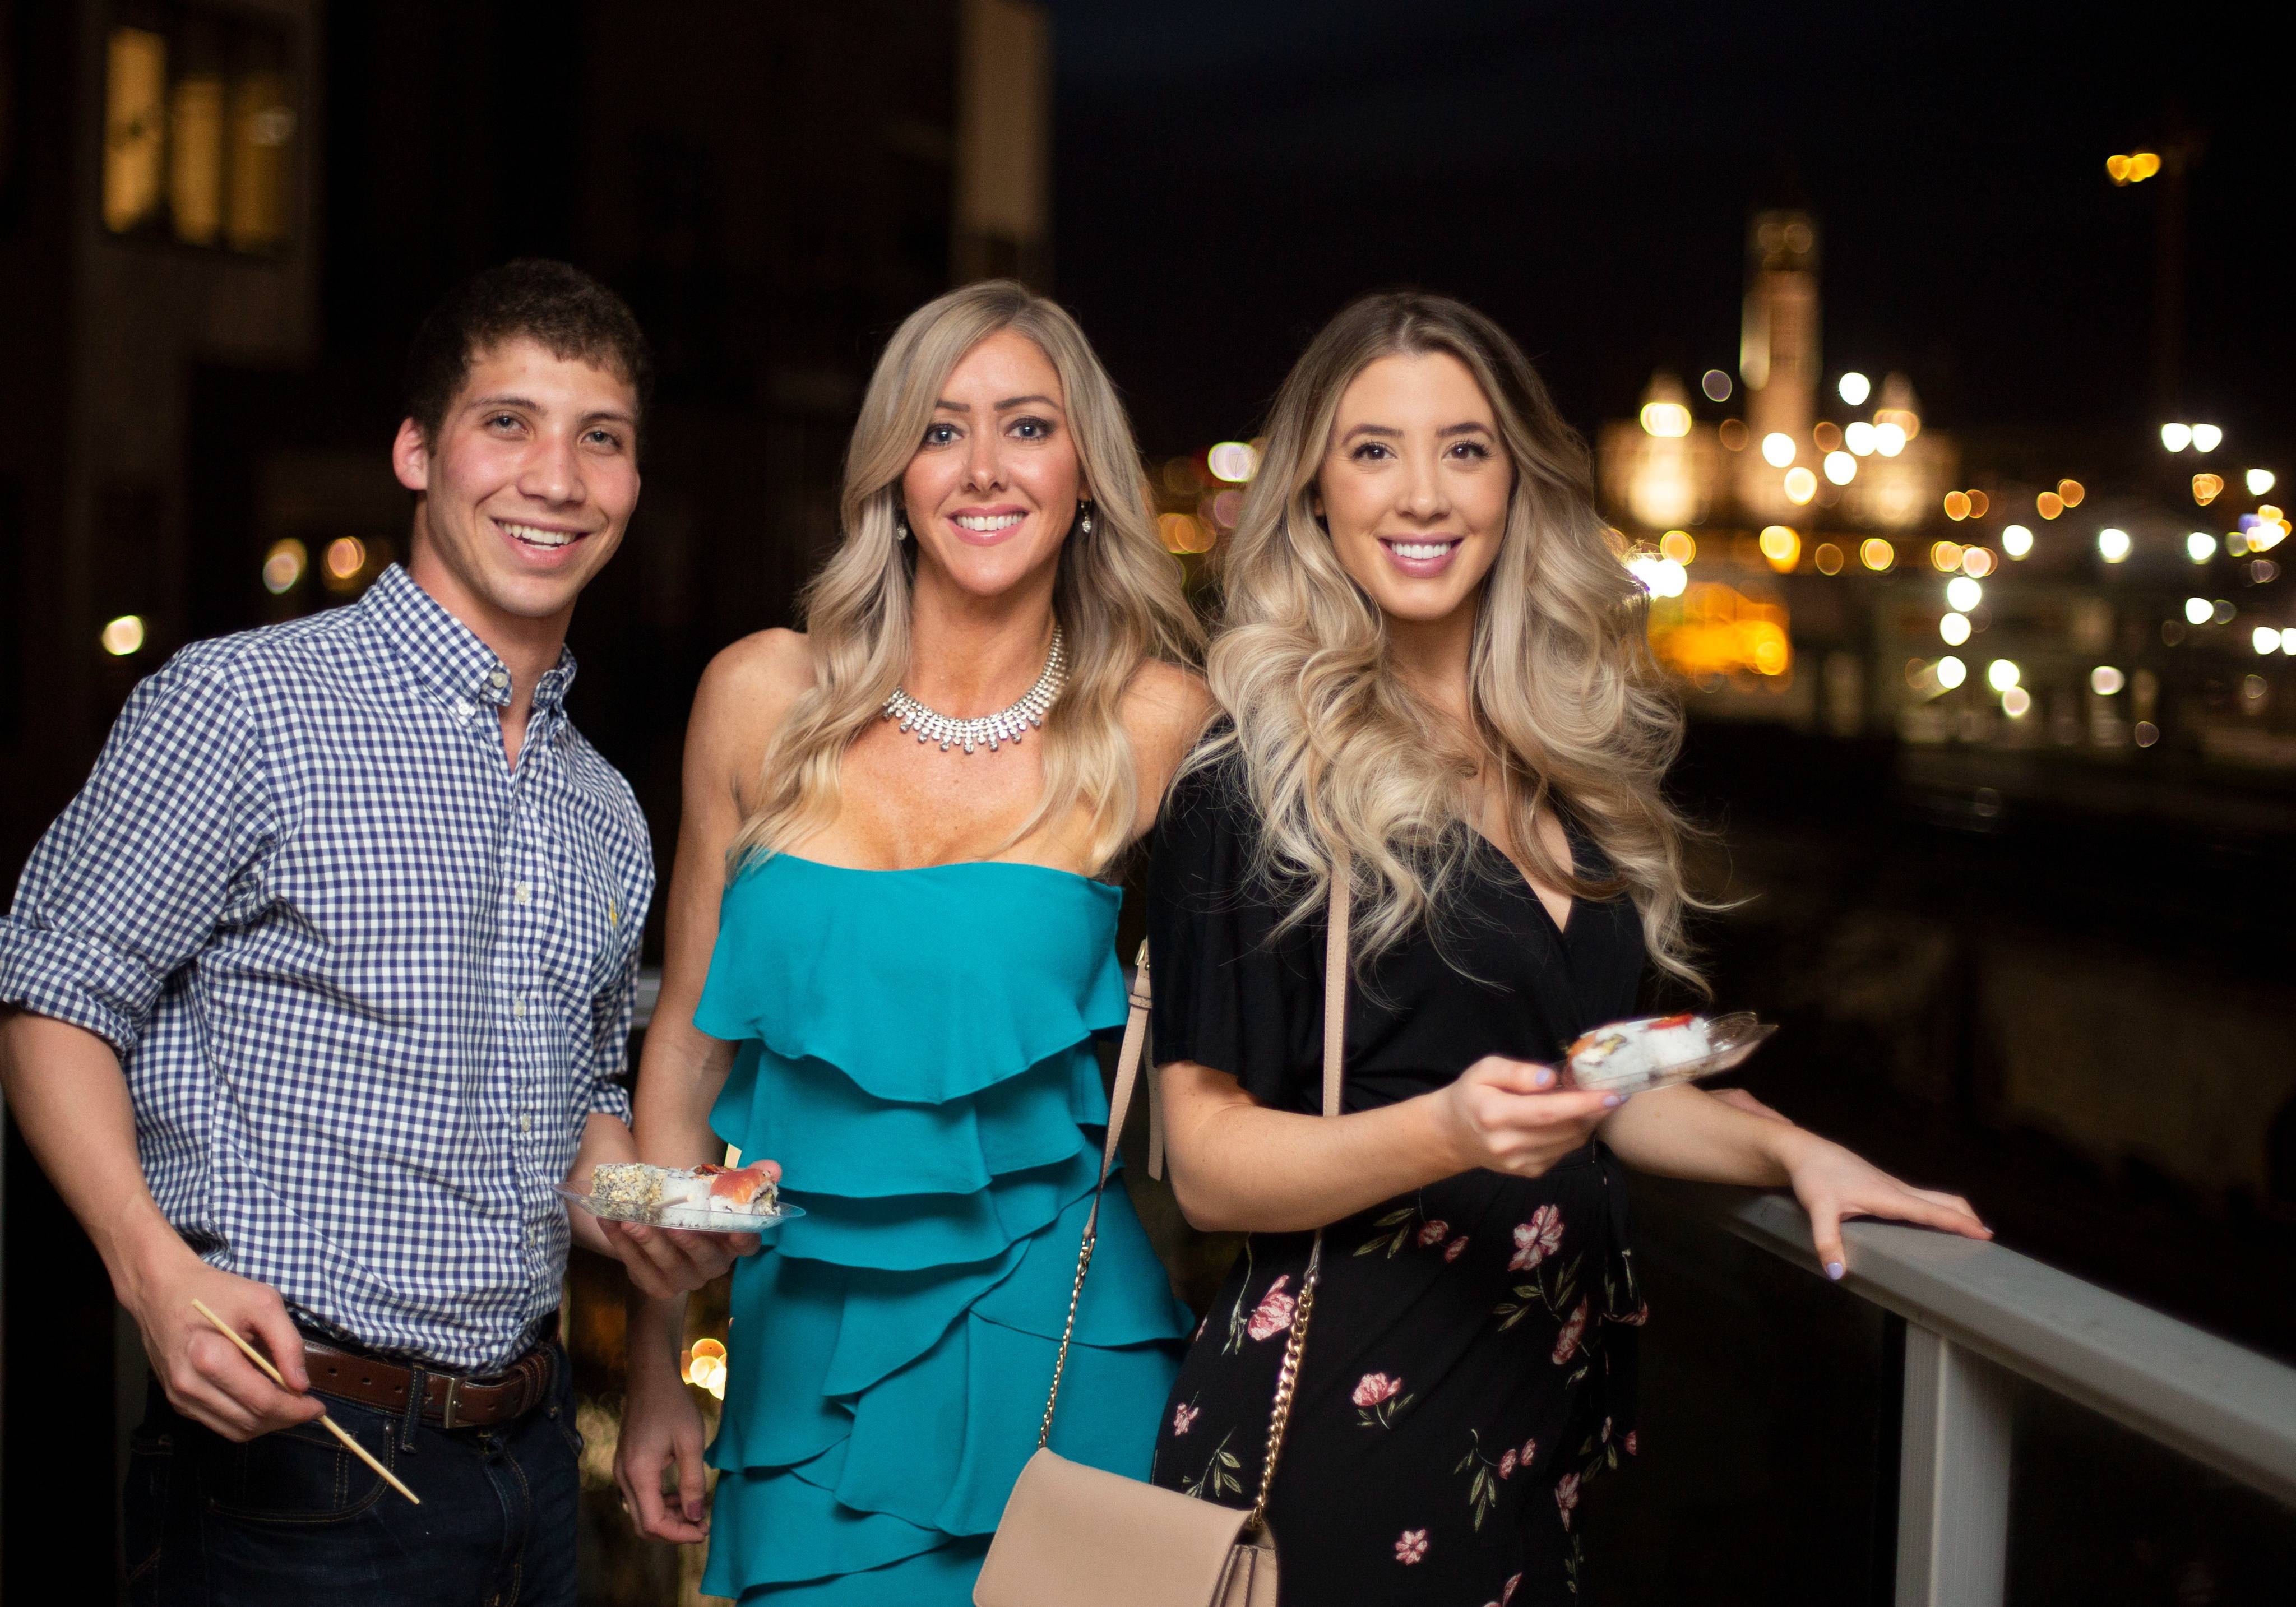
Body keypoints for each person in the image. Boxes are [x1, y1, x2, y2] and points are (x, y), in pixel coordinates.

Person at [1143, 291, 1992, 1604]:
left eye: (1462, 448)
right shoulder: (1252, 780)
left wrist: (1788, 1151)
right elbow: (1203, 1166)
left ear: (1516, 482)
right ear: (1312, 491)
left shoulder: (1561, 758)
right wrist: (1448, 1130)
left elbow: (1595, 1086)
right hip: (1342, 1438)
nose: (1421, 493)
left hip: (1544, 1429)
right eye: (1372, 450)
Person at [0, 258, 743, 1605]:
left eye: (600, 438)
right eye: (507, 424)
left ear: (635, 481)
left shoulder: (600, 805)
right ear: (416, 451)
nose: (556, 478)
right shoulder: (243, 705)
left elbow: (574, 1131)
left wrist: (685, 1223)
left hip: (526, 1464)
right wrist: (153, 1273)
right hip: (294, 1459)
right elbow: (53, 1000)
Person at [613, 279, 1207, 1604]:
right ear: (892, 474)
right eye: (941, 430)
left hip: (1069, 1358)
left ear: (1086, 476)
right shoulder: (758, 694)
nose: (983, 468)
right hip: (799, 1367)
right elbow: (688, 1053)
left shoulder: (1161, 719)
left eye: (1027, 427)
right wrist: (656, 1363)